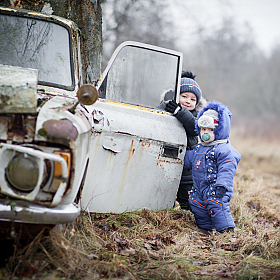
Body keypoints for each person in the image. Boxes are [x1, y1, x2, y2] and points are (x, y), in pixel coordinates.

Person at [184, 101, 241, 233]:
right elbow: (189, 160)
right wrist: (180, 158)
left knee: (217, 206)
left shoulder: (223, 149)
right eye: (203, 129)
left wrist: (222, 186)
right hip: (199, 189)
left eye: (211, 130)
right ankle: (205, 230)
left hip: (216, 189)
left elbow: (227, 169)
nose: (206, 133)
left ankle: (226, 230)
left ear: (220, 130)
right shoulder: (200, 147)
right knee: (197, 205)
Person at [158, 70, 206, 210]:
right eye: (184, 96)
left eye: (192, 99)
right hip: (166, 156)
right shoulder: (168, 106)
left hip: (187, 164)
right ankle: (164, 208)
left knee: (187, 195)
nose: (188, 101)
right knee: (163, 186)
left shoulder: (197, 116)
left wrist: (180, 112)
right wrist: (168, 108)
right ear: (176, 95)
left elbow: (194, 128)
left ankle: (189, 209)